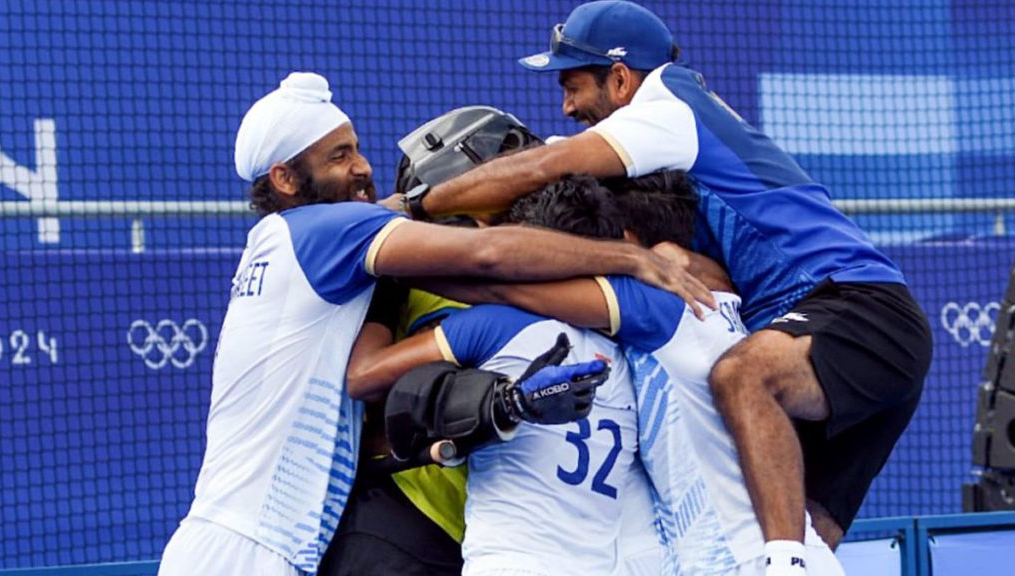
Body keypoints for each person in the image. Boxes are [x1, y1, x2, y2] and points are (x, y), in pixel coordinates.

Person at [402, 2, 933, 573]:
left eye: (573, 84)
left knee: (743, 378)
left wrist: (407, 212)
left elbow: (540, 170)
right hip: (838, 334)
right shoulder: (693, 265)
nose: (567, 105)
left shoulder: (667, 109)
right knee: (796, 523)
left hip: (856, 306)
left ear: (621, 77)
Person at [155, 71, 706, 576]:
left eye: (356, 148)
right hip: (248, 549)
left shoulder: (298, 244)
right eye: (339, 156)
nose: (362, 167)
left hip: (264, 541)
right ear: (286, 179)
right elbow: (487, 257)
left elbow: (447, 249)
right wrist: (629, 260)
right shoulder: (325, 231)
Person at [440, 172, 843, 575]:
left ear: (630, 244)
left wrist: (392, 245)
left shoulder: (655, 306)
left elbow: (500, 284)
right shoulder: (710, 294)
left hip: (750, 561)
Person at [343, 179, 661, 576]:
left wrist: (387, 288)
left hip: (509, 563)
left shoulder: (494, 324)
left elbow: (363, 377)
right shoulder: (634, 356)